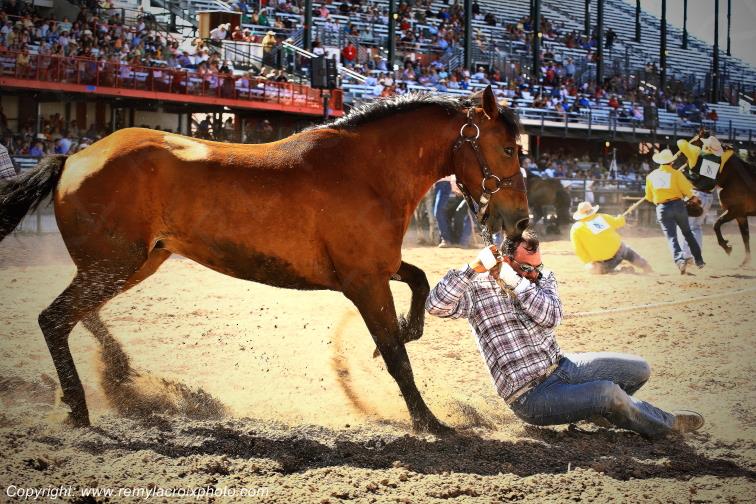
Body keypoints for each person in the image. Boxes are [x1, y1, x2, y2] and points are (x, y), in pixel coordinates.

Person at [425, 230, 705, 439]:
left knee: (640, 369)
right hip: (529, 396)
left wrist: (517, 282)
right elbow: (435, 306)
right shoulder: (478, 288)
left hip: (563, 367)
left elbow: (551, 317)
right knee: (608, 393)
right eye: (526, 268)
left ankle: (599, 412)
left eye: (537, 267)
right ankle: (666, 425)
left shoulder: (543, 279)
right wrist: (471, 269)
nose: (534, 274)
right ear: (506, 260)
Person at [645, 149, 705, 274]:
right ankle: (699, 260)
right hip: (678, 205)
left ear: (660, 162)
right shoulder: (676, 174)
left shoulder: (650, 176)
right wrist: (695, 199)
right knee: (688, 233)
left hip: (662, 208)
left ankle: (679, 261)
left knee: (672, 237)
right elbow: (688, 191)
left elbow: (649, 197)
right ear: (671, 162)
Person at [676, 135, 728, 266]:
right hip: (708, 196)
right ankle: (695, 256)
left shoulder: (697, 153)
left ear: (706, 147)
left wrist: (695, 141)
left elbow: (681, 142)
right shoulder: (719, 159)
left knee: (684, 226)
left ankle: (686, 256)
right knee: (696, 227)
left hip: (695, 195)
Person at [570, 201, 652, 274]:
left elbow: (578, 249)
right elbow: (618, 222)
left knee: (594, 269)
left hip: (605, 262)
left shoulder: (576, 228)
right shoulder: (602, 217)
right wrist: (620, 218)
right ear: (592, 210)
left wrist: (588, 261)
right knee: (626, 250)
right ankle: (644, 265)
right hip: (620, 250)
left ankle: (620, 271)